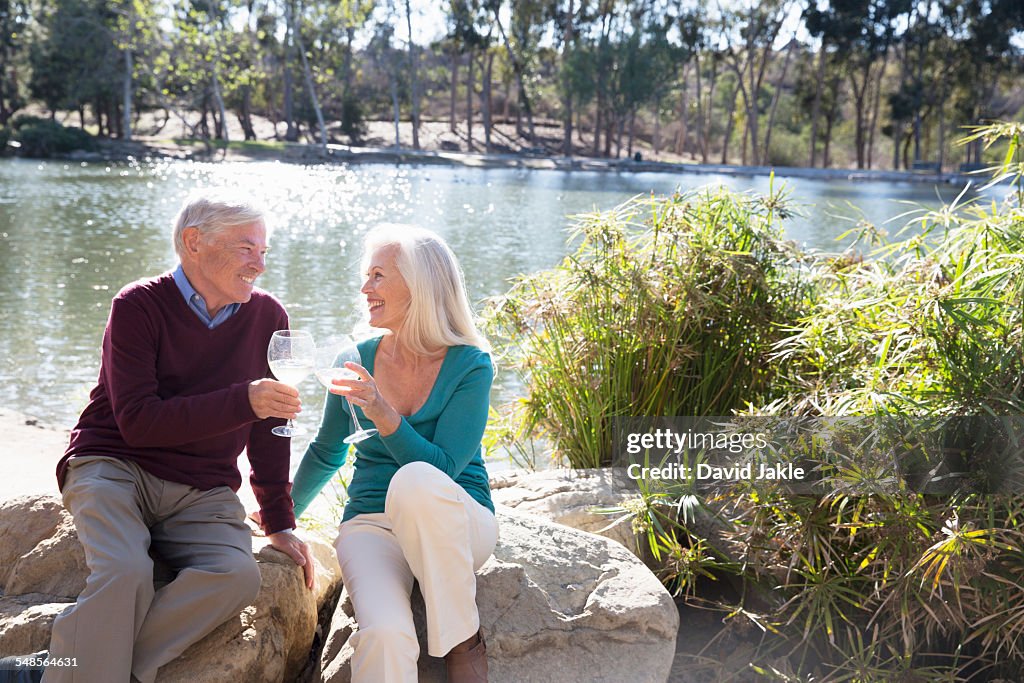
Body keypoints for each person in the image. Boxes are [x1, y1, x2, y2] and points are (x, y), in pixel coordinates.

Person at [41, 190, 314, 683]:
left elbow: (272, 425)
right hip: (114, 465)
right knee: (125, 573)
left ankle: (75, 668)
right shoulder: (137, 305)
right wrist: (244, 400)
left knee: (236, 576)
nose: (259, 264)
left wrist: (278, 520)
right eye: (246, 248)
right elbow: (139, 423)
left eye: (264, 251)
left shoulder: (268, 317)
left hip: (202, 488)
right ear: (194, 242)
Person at [290, 224, 497, 683]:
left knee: (416, 482)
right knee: (385, 635)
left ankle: (462, 645)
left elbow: (442, 469)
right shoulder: (356, 359)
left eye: (379, 275)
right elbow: (327, 451)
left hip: (455, 524)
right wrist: (279, 517)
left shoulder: (470, 365)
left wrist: (382, 412)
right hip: (372, 526)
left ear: (419, 285)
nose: (365, 288)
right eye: (367, 276)